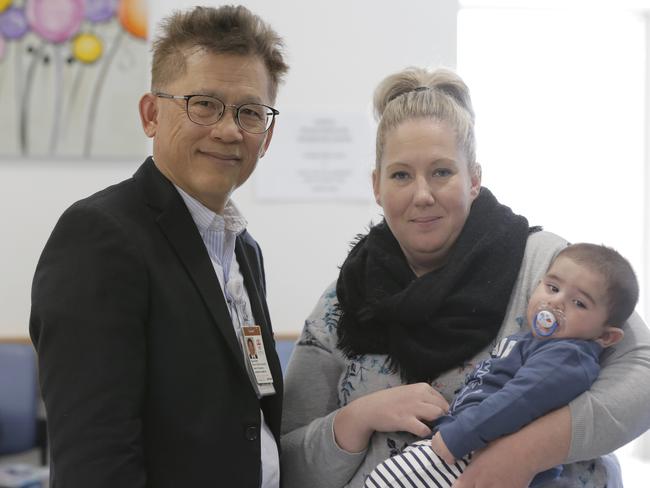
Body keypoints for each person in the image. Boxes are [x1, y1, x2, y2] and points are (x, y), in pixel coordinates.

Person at [280, 66, 650, 488]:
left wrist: (524, 452)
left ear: (473, 179)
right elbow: (288, 460)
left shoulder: (548, 269)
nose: (422, 194)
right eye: (401, 174)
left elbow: (643, 372)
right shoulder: (344, 302)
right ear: (376, 185)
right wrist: (357, 417)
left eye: (441, 172)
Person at [29, 6, 288, 488]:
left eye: (249, 112)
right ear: (151, 114)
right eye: (204, 103)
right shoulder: (100, 237)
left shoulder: (244, 251)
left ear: (266, 135)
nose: (229, 129)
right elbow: (95, 461)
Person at [365, 243, 638, 488]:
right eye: (552, 288)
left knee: (386, 481)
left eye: (578, 303)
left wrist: (461, 434)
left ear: (606, 336)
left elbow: (520, 399)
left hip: (477, 448)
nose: (555, 303)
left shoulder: (567, 356)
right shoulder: (531, 341)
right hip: (468, 441)